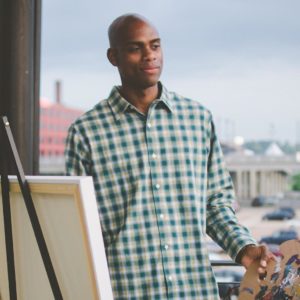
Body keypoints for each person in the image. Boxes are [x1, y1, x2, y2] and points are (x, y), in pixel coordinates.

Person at [65, 13, 273, 299]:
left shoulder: (197, 119)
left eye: (155, 46)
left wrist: (243, 248)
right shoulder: (85, 132)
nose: (150, 56)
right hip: (126, 291)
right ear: (113, 56)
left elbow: (215, 204)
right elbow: (80, 231)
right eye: (136, 48)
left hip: (194, 291)